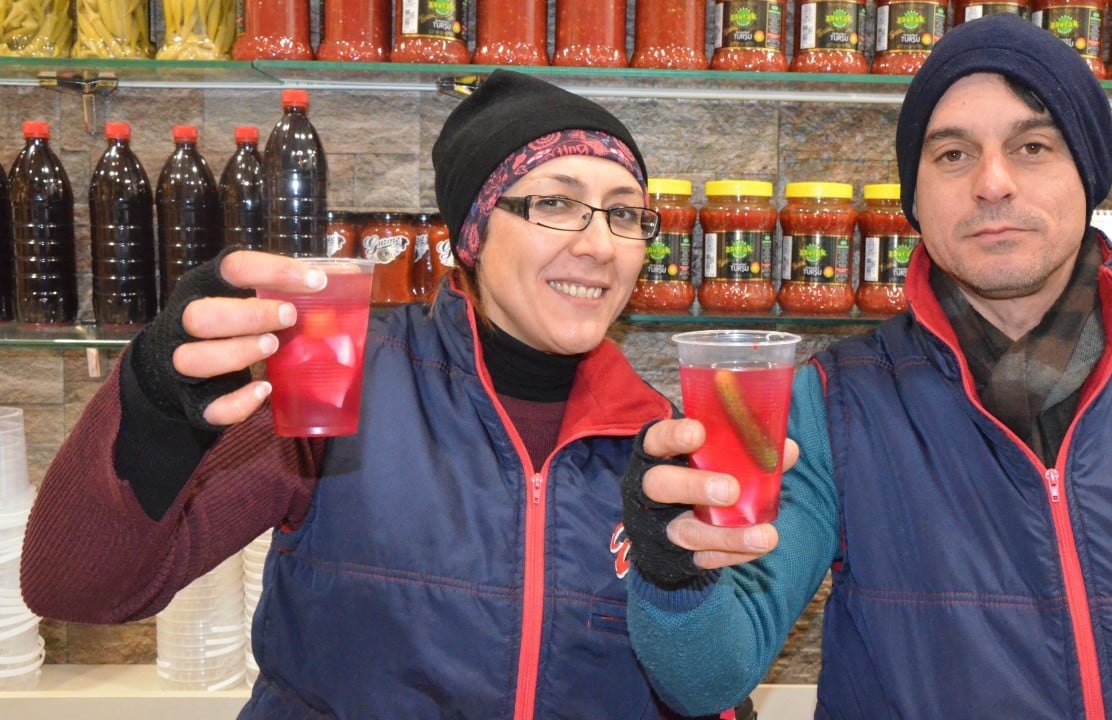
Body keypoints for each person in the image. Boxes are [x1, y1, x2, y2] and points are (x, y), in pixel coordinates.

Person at [19, 70, 746, 719]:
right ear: (472, 235)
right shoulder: (340, 376)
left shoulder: (662, 441)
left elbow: (707, 691)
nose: (599, 244)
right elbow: (76, 589)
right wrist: (154, 404)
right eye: (556, 203)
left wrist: (682, 592)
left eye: (625, 213)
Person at [621, 14, 1112, 719]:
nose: (992, 183)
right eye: (953, 155)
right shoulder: (831, 403)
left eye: (1032, 146)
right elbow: (706, 678)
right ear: (916, 198)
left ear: (1088, 174)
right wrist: (673, 570)